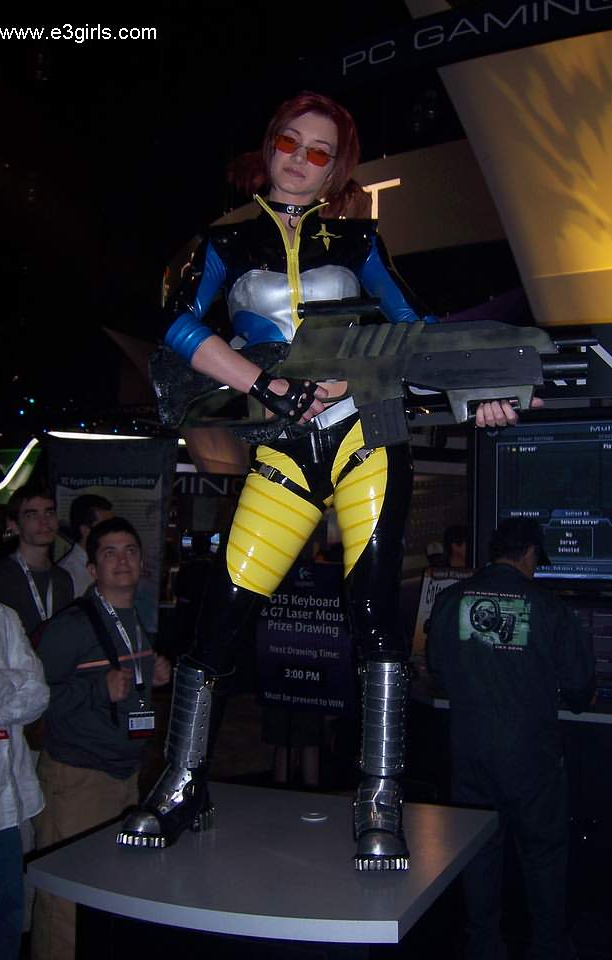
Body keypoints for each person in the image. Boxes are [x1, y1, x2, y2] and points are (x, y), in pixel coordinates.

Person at [118, 90, 528, 868]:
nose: (300, 161)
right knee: (222, 612)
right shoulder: (226, 241)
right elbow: (174, 322)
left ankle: (380, 796)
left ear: (337, 168)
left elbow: (413, 324)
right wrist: (264, 384)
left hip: (367, 429)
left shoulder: (359, 239)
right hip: (282, 442)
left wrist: (480, 388)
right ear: (267, 144)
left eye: (319, 151)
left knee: (373, 611)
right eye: (289, 142)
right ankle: (183, 781)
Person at [427, 518, 595, 960]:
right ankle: (548, 949)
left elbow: (437, 668)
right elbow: (580, 688)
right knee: (543, 856)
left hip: (470, 754)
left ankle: (484, 947)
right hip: (532, 760)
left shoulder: (450, 601)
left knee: (478, 853)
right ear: (530, 554)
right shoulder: (549, 608)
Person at [32, 517, 172, 960]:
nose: (122, 560)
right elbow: (32, 700)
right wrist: (96, 689)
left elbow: (127, 682)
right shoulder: (72, 626)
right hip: (77, 779)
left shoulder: (135, 620)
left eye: (130, 550)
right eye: (109, 553)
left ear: (142, 562)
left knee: (104, 891)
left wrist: (154, 675)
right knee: (66, 904)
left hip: (124, 775)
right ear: (92, 569)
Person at [0, 504, 49, 960]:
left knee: (3, 924)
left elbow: (38, 694)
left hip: (4, 809)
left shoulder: (1, 615)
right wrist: (8, 681)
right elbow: (15, 686)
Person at [0, 484, 73, 640]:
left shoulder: (63, 579)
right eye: (32, 515)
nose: (44, 521)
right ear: (14, 525)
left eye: (49, 512)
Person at [58, 493, 114, 597]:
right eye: (105, 528)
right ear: (85, 531)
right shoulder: (67, 574)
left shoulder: (108, 562)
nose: (112, 533)